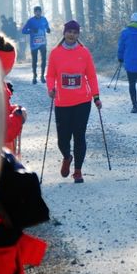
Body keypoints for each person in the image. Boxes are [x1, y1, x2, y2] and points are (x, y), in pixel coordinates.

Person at [46, 20, 101, 184]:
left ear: (78, 35)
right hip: (62, 102)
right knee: (63, 139)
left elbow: (91, 76)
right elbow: (50, 75)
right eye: (69, 31)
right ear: (64, 33)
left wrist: (96, 97)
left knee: (79, 136)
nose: (72, 35)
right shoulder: (55, 53)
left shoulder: (84, 53)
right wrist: (51, 89)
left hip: (82, 102)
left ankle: (78, 171)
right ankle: (67, 156)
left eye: (75, 32)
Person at [22, 6, 51, 84]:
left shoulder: (44, 19)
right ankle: (34, 76)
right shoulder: (30, 21)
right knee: (34, 61)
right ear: (34, 12)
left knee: (44, 59)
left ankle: (42, 76)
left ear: (41, 12)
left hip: (43, 43)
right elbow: (23, 31)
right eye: (36, 11)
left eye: (39, 11)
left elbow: (47, 28)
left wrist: (48, 30)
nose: (38, 13)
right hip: (34, 44)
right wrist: (31, 30)